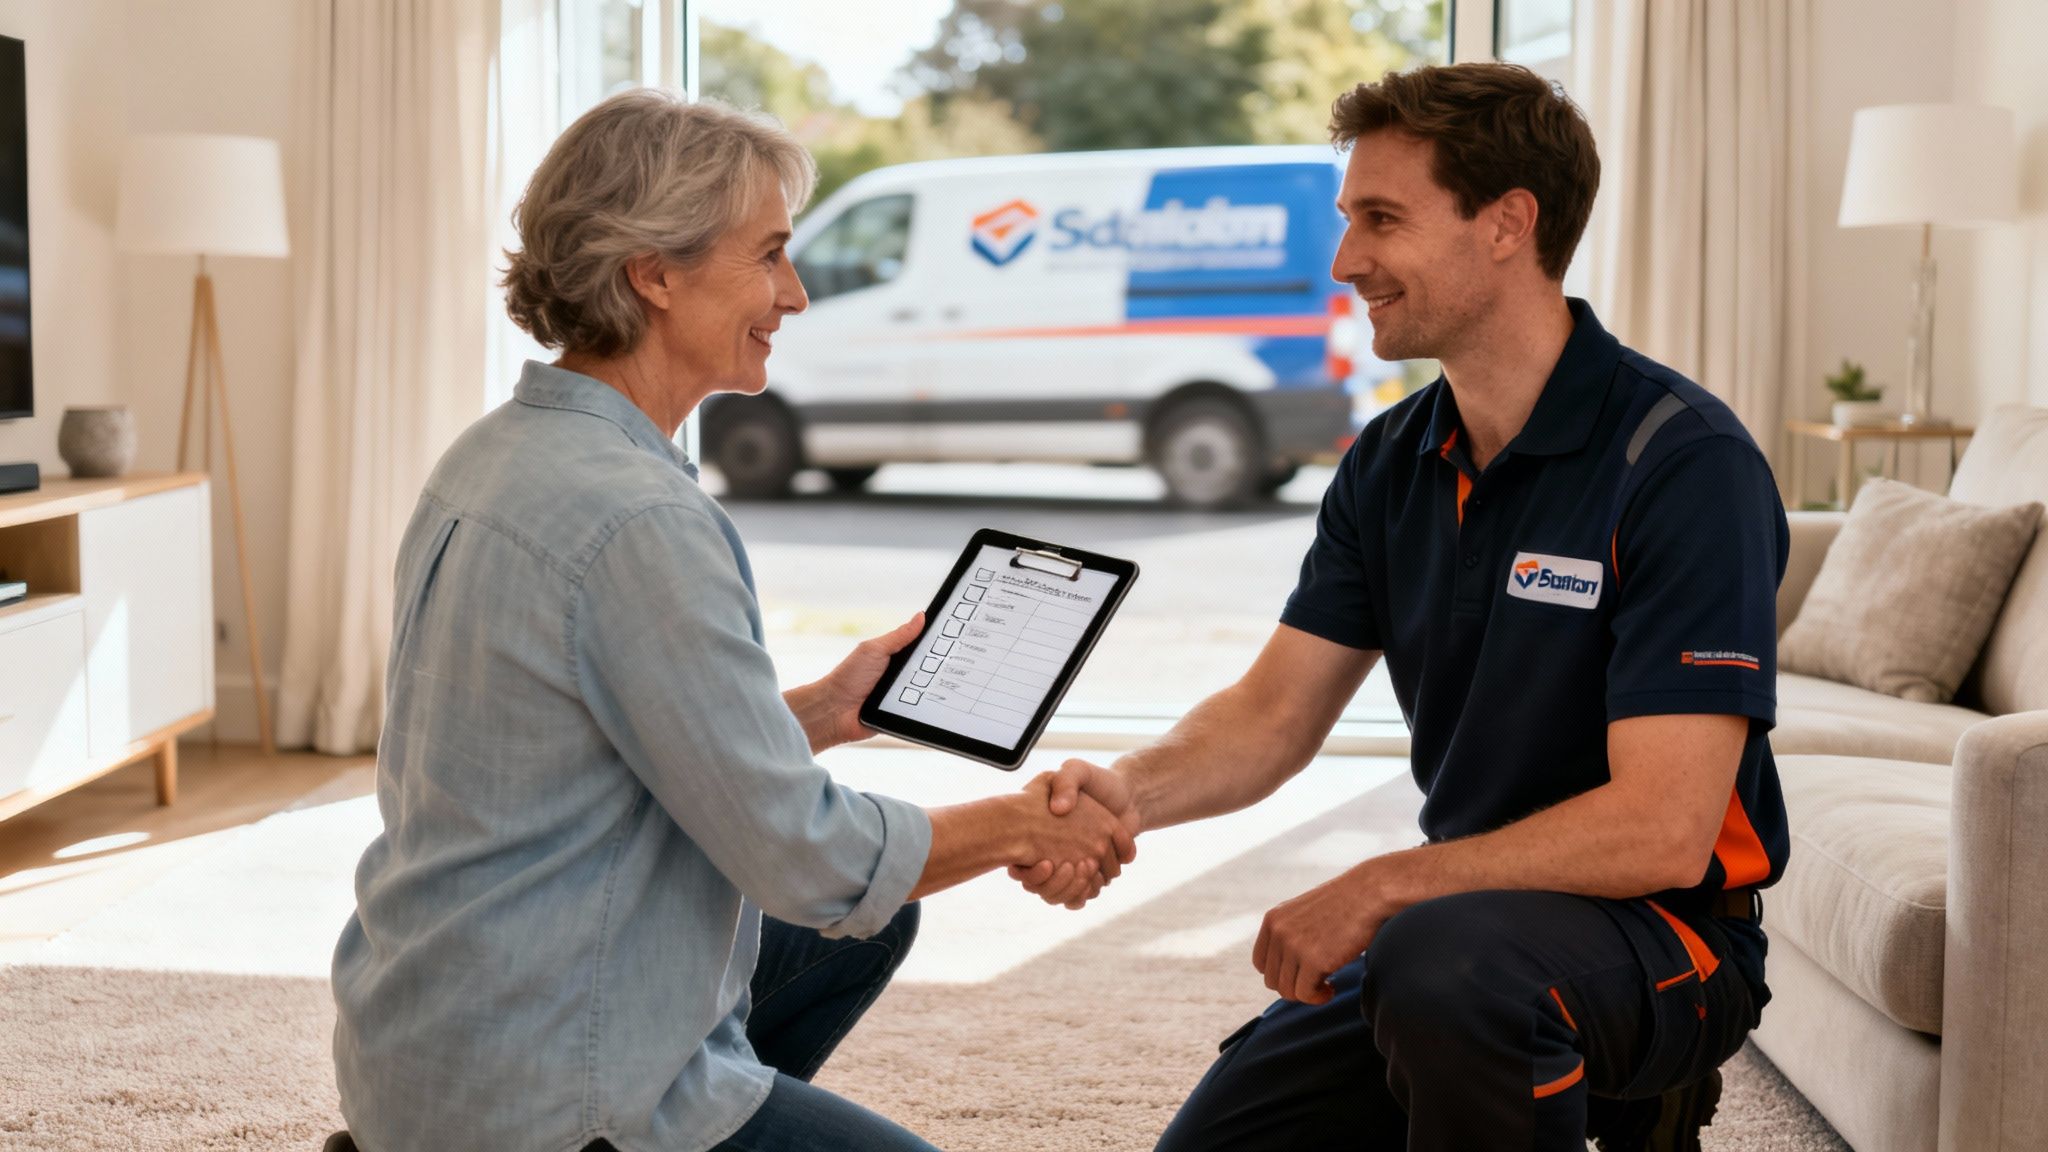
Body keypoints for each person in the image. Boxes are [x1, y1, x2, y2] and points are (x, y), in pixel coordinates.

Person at [330, 90, 1134, 1152]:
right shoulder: (639, 518)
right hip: (542, 1092)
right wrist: (1026, 824)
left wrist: (817, 712)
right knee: (851, 898)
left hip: (431, 1041)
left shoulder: (499, 453)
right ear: (653, 273)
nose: (794, 294)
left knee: (868, 925)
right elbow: (805, 860)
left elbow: (580, 751)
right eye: (767, 256)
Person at [1013, 62, 1790, 1152]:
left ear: (1506, 224)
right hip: (1463, 927)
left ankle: (1628, 1087)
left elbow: (1663, 828)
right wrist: (1125, 791)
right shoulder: (1391, 457)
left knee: (1444, 967)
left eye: (1380, 219)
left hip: (1665, 942)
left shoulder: (1679, 463)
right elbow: (1271, 714)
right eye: (1348, 221)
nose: (1345, 261)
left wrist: (1383, 885)